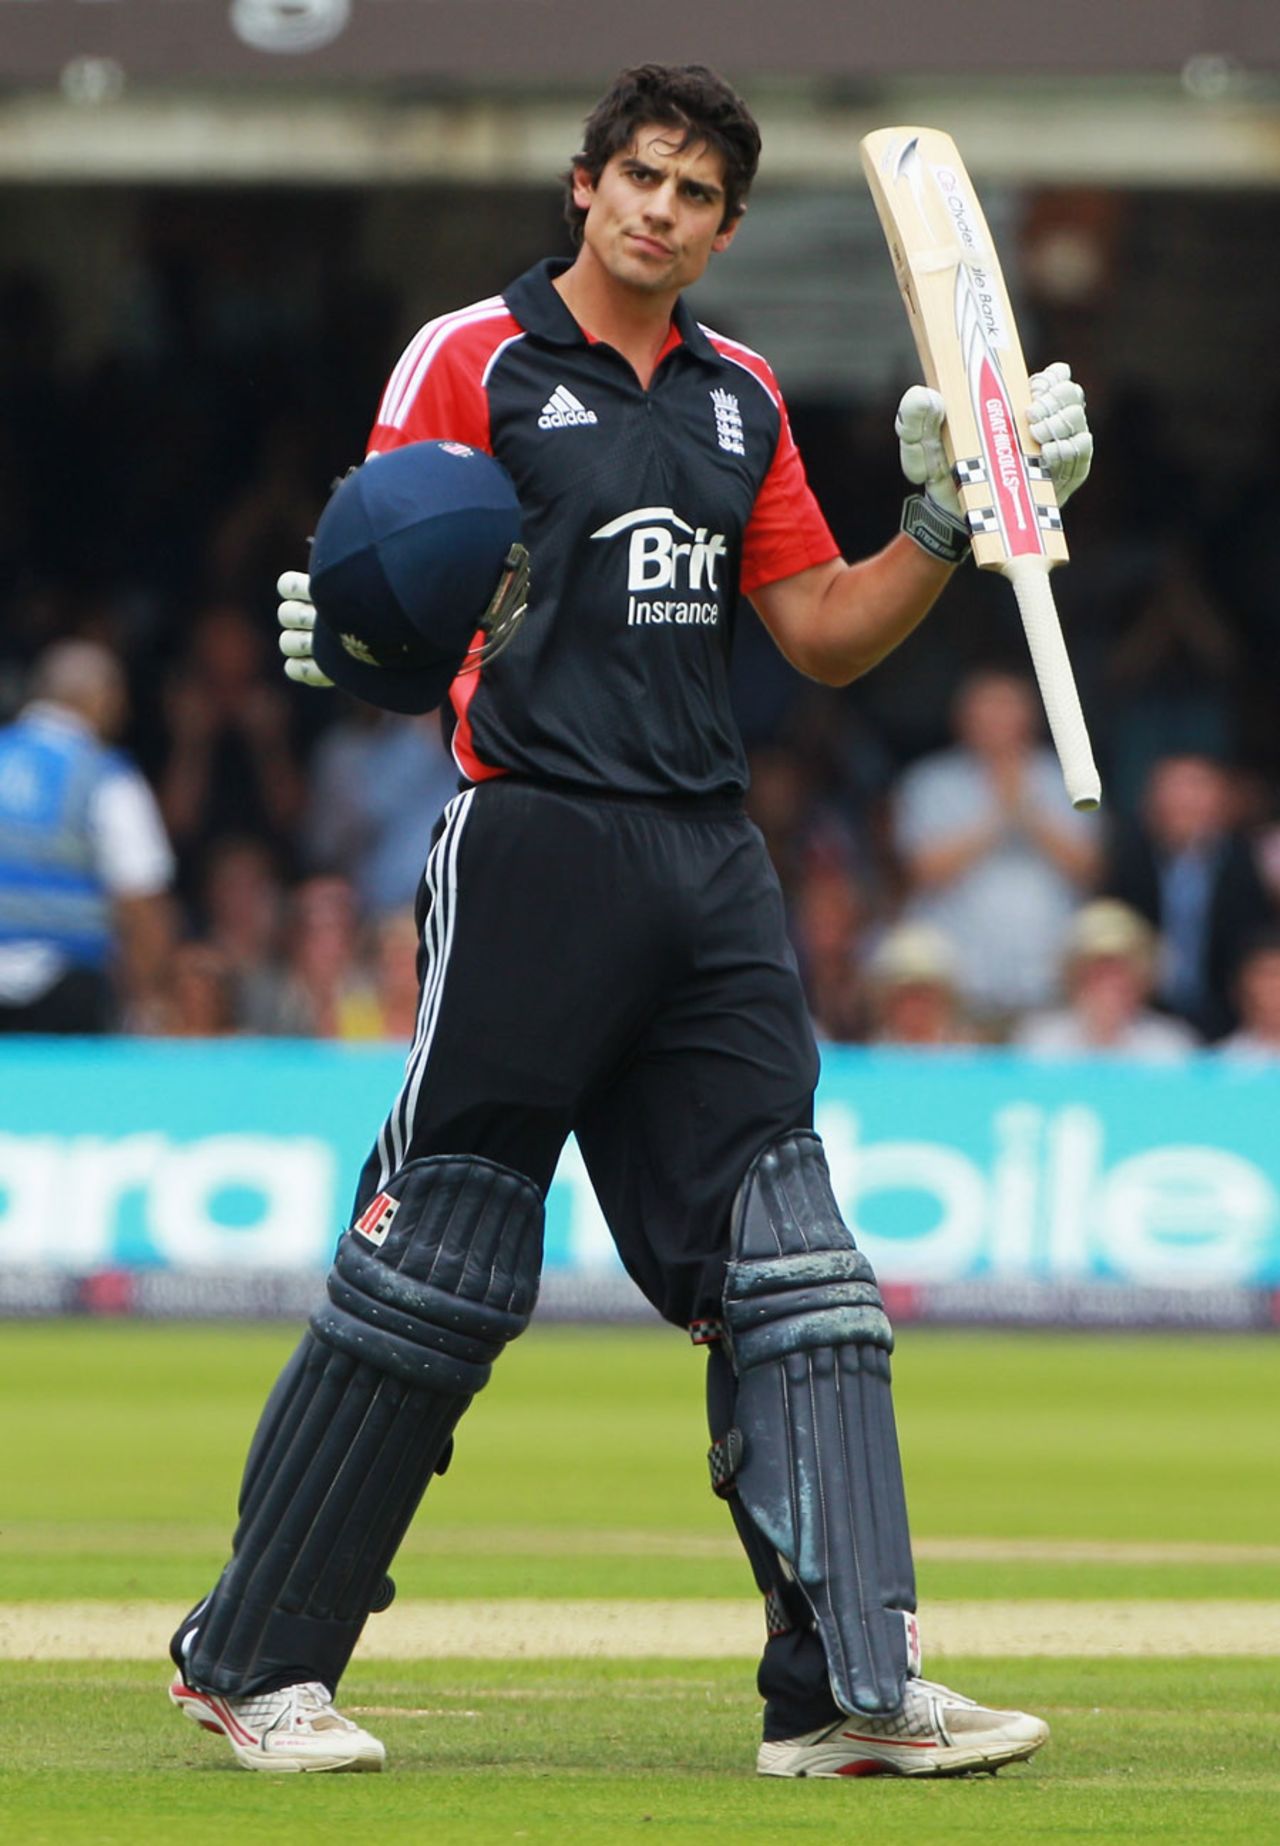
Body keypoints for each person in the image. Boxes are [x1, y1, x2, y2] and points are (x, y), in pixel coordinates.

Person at [168, 64, 1093, 1781]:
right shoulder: (472, 355)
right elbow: (392, 573)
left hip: (707, 860)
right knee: (442, 1263)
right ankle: (256, 1665)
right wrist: (358, 641)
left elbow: (818, 629)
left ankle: (844, 1687)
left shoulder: (742, 395)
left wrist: (949, 524)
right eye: (638, 178)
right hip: (528, 838)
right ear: (586, 186)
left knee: (799, 1269)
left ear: (727, 227)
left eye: (695, 194)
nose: (659, 210)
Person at [892, 667, 1100, 1030]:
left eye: (1008, 710)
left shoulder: (1066, 775)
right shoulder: (931, 781)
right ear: (962, 720)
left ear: (1031, 717)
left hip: (1046, 982)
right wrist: (997, 815)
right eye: (986, 711)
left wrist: (1031, 814)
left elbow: (1089, 867)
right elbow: (923, 870)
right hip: (957, 984)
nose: (997, 722)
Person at [0, 640, 175, 1032]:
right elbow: (140, 899)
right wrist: (151, 1003)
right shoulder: (103, 776)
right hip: (65, 997)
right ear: (100, 698)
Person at [1102, 752, 1274, 1042]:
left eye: (1196, 788)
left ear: (1223, 798)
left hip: (1232, 1015)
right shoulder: (1127, 859)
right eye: (1174, 789)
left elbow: (1255, 942)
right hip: (1143, 1015)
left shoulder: (1248, 862)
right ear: (1150, 800)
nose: (1185, 801)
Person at [1012, 898, 1198, 1059]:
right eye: (1098, 974)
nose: (1109, 987)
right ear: (1075, 978)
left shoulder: (1170, 1047)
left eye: (1120, 974)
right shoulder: (1039, 1043)